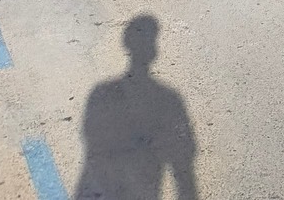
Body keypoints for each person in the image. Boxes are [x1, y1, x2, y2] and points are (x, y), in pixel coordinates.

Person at [74, 15, 198, 199]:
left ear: (126, 44)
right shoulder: (169, 100)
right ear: (154, 49)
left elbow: (91, 155)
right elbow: (183, 171)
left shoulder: (100, 94)